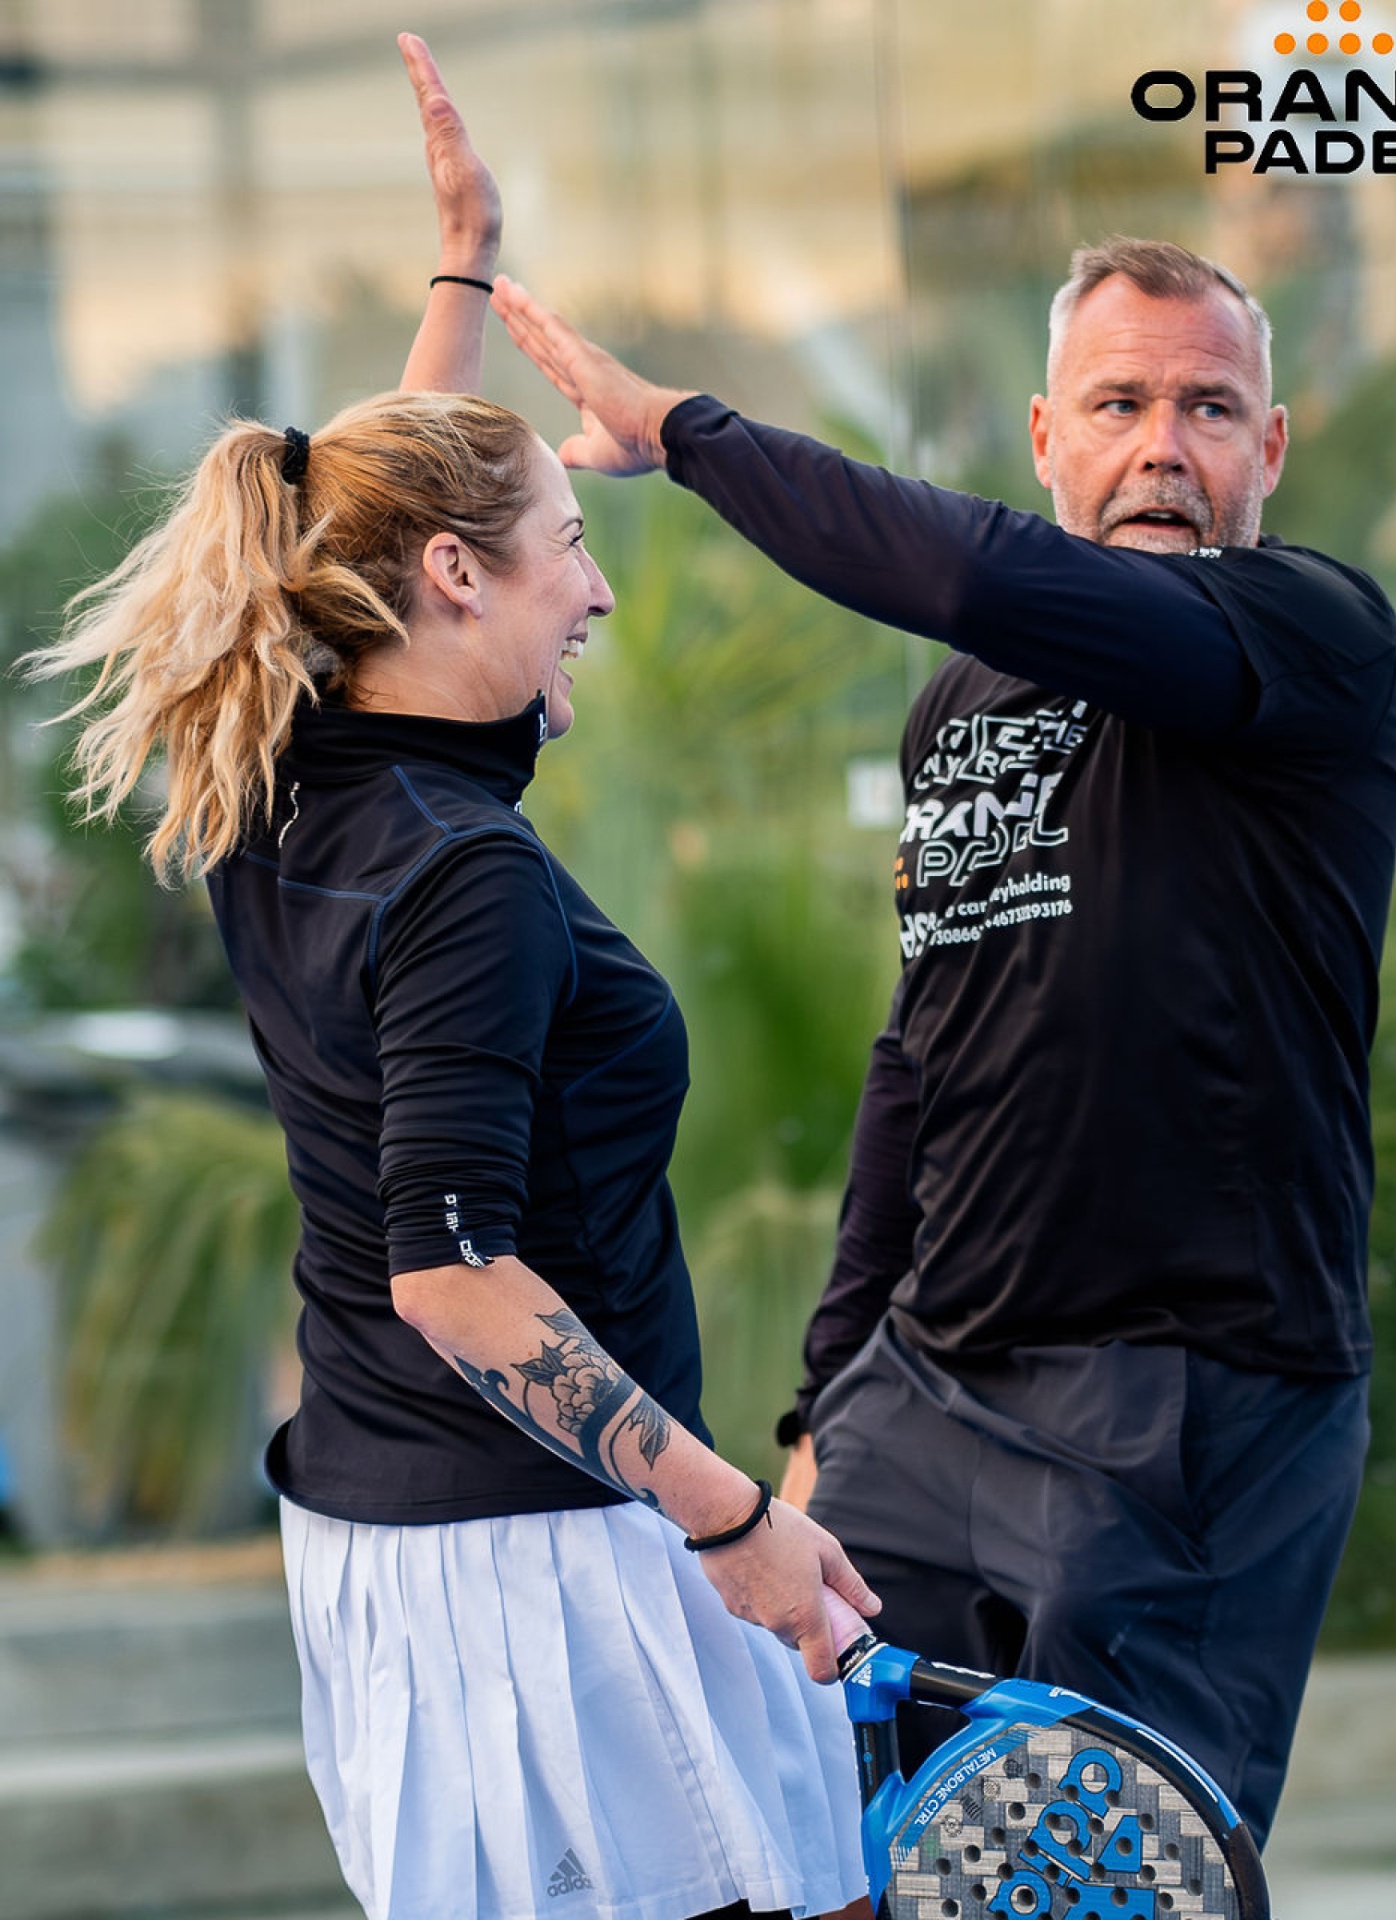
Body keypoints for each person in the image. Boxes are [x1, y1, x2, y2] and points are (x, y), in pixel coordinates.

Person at [24, 36, 876, 1920]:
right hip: (541, 1569)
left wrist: (464, 274)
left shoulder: (277, 774)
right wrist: (729, 1516)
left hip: (394, 1545)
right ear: (454, 583)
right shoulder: (465, 869)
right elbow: (453, 1272)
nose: (597, 587)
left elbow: (359, 532)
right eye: (571, 548)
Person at [488, 233, 1396, 1847]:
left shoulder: (1310, 639)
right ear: (1048, 434)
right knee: (836, 1845)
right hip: (927, 1392)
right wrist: (831, 1395)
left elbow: (980, 566)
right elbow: (925, 1055)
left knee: (1097, 1878)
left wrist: (692, 435)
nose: (1161, 448)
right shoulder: (962, 706)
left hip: (1185, 1400)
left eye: (1208, 409)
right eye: (1117, 403)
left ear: (1269, 449)